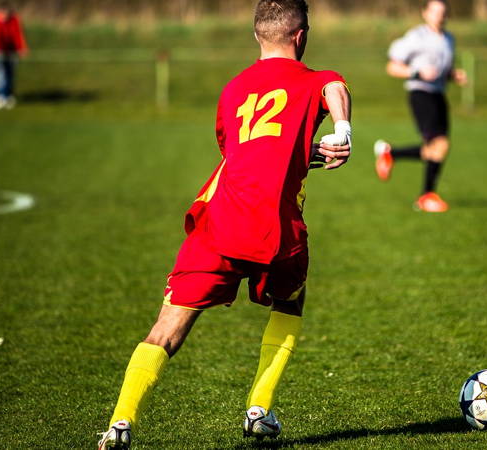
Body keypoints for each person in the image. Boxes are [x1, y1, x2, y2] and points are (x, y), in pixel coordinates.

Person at [97, 0, 352, 448]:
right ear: (301, 35)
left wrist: (300, 156)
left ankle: (120, 421)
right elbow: (335, 88)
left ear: (257, 36)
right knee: (290, 300)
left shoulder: (233, 90)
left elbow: (241, 155)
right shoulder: (315, 79)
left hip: (219, 227)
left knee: (166, 328)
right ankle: (259, 408)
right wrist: (342, 129)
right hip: (277, 230)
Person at [373, 0, 467, 213]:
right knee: (440, 145)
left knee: (434, 150)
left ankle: (391, 154)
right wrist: (416, 73)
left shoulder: (449, 39)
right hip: (420, 93)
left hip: (438, 95)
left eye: (443, 12)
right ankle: (426, 196)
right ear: (425, 13)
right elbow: (391, 66)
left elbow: (443, 69)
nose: (439, 16)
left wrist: (453, 75)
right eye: (434, 12)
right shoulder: (416, 37)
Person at [0, 1, 27, 110]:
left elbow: (18, 35)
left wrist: (22, 49)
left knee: (10, 73)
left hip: (12, 51)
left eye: (6, 13)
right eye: (2, 13)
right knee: (0, 73)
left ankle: (9, 95)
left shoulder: (15, 19)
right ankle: (0, 96)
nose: (4, 15)